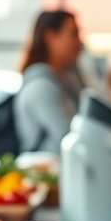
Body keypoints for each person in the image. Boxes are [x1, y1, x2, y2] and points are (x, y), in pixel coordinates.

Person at [14, 10, 85, 153]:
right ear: (50, 37)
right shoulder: (41, 87)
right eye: (74, 34)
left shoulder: (67, 79)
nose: (80, 42)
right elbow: (70, 140)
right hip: (47, 172)